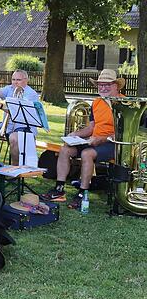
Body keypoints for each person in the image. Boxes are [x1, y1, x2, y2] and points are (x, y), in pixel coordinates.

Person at [42, 69, 124, 208]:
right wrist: (76, 134)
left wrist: (101, 139)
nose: (103, 88)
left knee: (87, 153)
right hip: (94, 140)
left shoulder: (124, 104)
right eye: (100, 85)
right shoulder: (97, 102)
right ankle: (59, 189)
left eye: (107, 85)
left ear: (116, 86)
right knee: (65, 149)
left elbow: (123, 134)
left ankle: (82, 193)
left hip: (113, 144)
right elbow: (91, 127)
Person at [0, 70, 40, 165]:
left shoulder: (30, 94)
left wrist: (0, 106)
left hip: (24, 126)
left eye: (18, 80)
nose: (15, 82)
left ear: (26, 80)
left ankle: (15, 168)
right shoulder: (10, 88)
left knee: (13, 138)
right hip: (9, 125)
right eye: (13, 79)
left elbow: (19, 113)